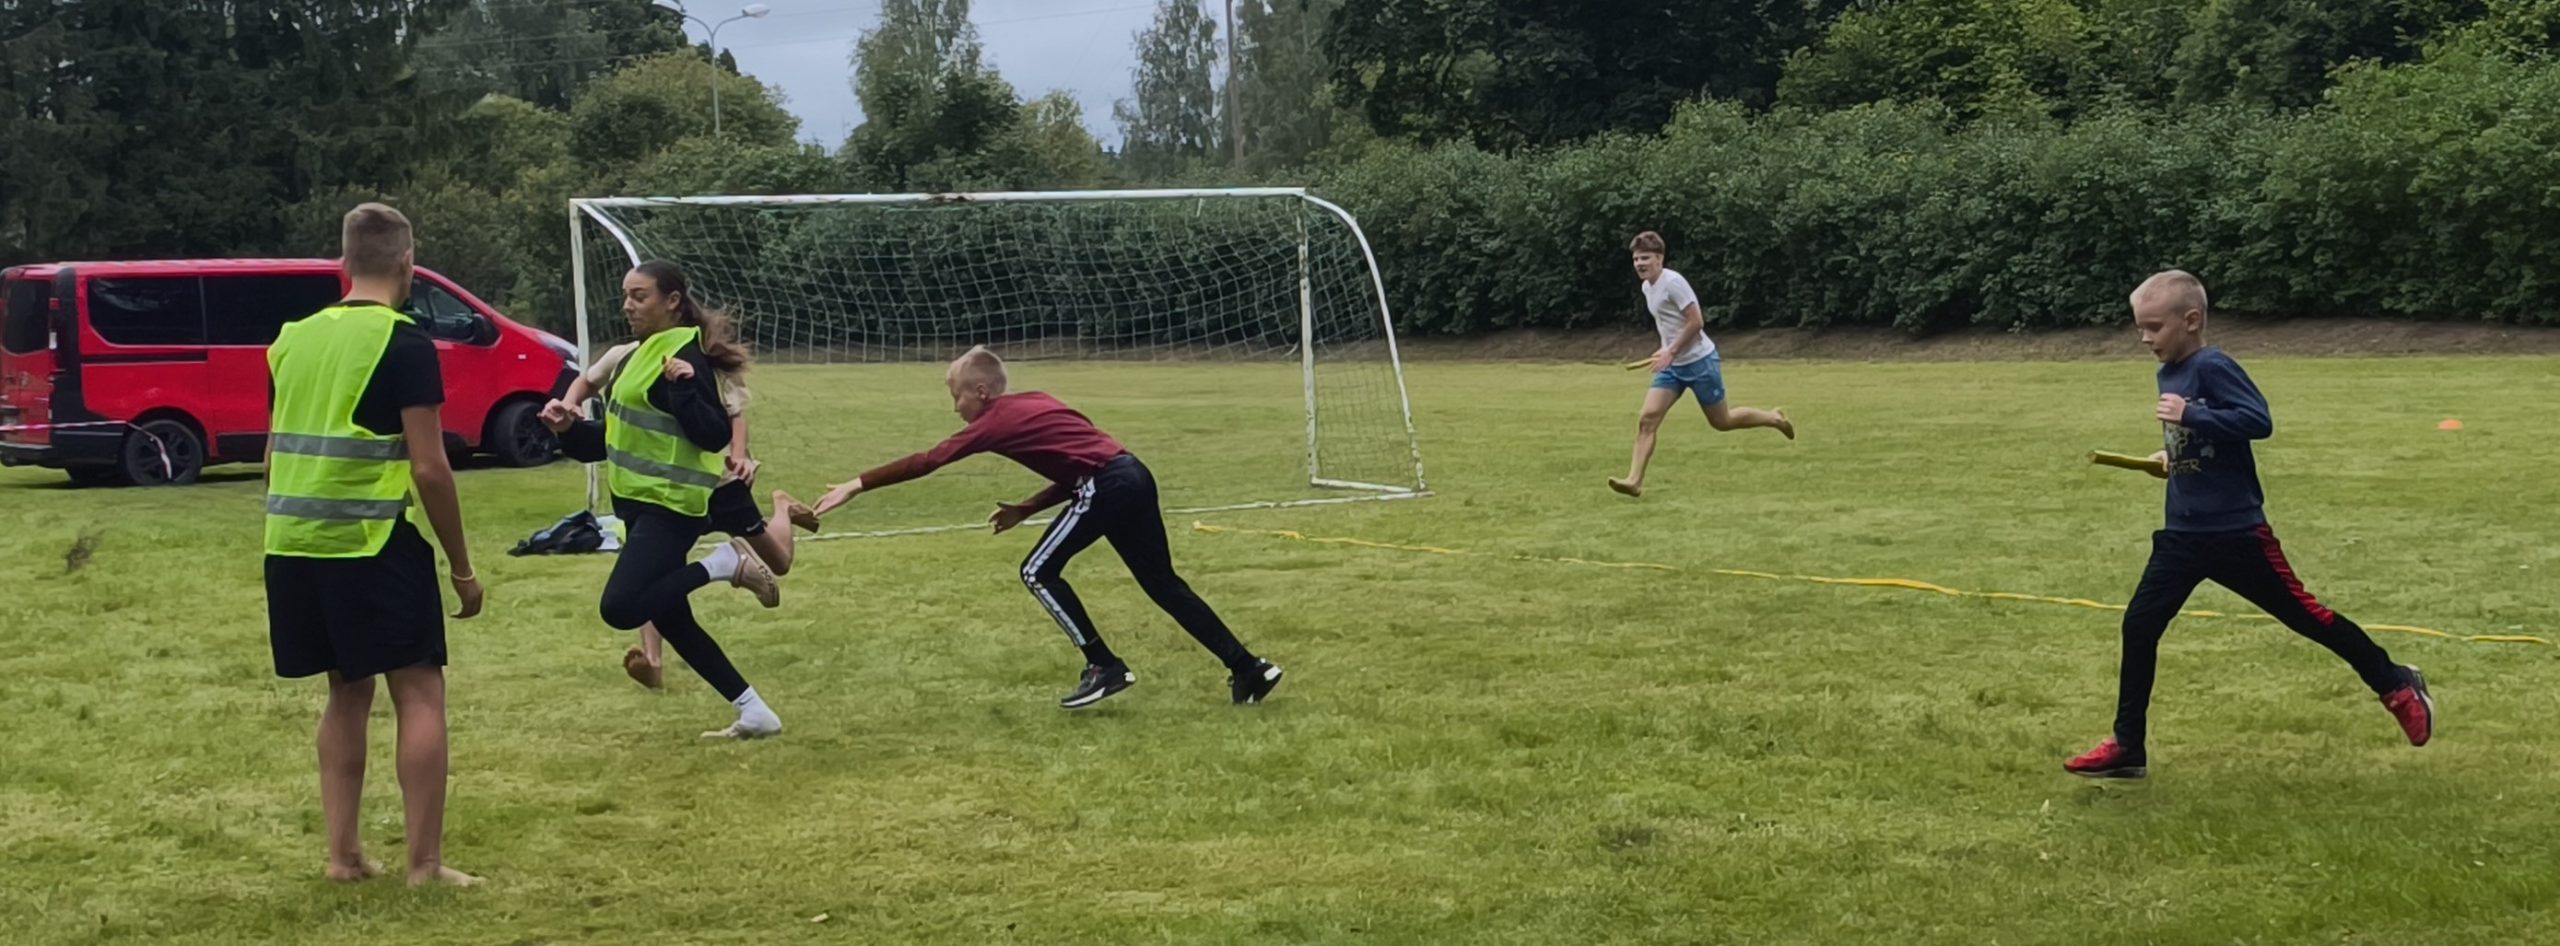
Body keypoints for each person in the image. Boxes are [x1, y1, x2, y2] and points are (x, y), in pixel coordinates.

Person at [2065, 270, 2435, 780]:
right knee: (2140, 625)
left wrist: (2191, 417)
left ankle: (2395, 682)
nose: (2144, 338)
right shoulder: (2169, 372)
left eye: (2154, 327)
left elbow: (2257, 420)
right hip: (2182, 535)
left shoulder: (2213, 365)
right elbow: (2202, 438)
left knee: (2306, 617)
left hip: (2236, 534)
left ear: (2191, 320)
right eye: (2140, 328)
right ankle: (2128, 747)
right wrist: (2171, 454)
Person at [809, 346, 1283, 709]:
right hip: (1132, 474)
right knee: (1163, 584)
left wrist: (857, 484)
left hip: (1108, 484)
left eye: (956, 397)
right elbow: (1083, 462)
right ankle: (1249, 668)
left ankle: (1104, 665)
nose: (955, 408)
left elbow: (930, 459)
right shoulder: (1037, 401)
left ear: (981, 392)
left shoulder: (991, 423)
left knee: (1037, 571)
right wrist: (1027, 508)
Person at [263, 202, 483, 886]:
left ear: (343, 263)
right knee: (419, 693)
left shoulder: (291, 339)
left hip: (292, 544)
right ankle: (425, 864)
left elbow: (272, 457)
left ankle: (344, 855)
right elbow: (429, 468)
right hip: (370, 541)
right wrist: (462, 567)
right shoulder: (405, 342)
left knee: (345, 690)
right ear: (407, 265)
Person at [540, 260, 785, 738]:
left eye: (640, 296)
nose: (628, 305)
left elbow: (712, 434)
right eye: (626, 296)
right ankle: (755, 712)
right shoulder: (634, 356)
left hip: (671, 508)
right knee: (673, 618)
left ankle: (723, 564)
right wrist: (567, 430)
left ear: (673, 302)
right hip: (641, 507)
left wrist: (687, 387)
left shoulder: (684, 358)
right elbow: (608, 442)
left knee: (620, 607)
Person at [560, 331, 817, 689]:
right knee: (650, 572)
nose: (630, 308)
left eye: (640, 301)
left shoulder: (703, 359)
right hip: (664, 491)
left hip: (719, 484)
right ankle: (653, 662)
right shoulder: (626, 355)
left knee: (779, 562)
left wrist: (740, 457)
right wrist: (570, 404)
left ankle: (781, 508)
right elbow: (586, 381)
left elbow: (735, 416)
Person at [1609, 230, 1793, 498]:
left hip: (1700, 362)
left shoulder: (1674, 283)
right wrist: (1665, 348)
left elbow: (1696, 322)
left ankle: (1774, 418)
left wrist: (1672, 351)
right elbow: (1669, 323)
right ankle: (1634, 480)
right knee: (1647, 418)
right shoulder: (1647, 287)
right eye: (1636, 259)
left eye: (1645, 258)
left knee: (1722, 421)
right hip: (1672, 367)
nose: (1639, 263)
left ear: (1660, 258)